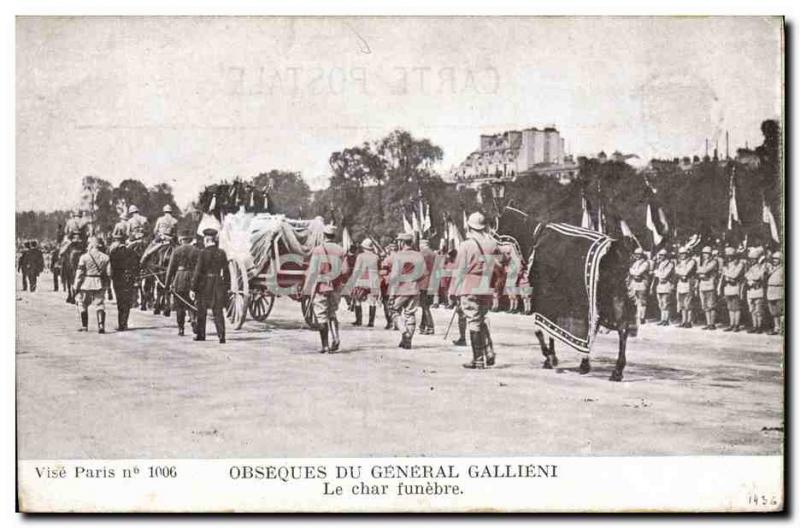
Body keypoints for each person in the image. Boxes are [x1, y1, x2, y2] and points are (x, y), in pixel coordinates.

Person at [449, 212, 501, 369]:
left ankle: (478, 359)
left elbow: (459, 270)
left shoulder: (466, 245)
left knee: (473, 321)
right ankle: (489, 351)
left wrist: (452, 291)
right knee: (481, 319)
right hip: (486, 286)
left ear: (470, 227)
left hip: (469, 286)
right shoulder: (493, 243)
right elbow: (501, 264)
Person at [303, 225, 349, 353]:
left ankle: (325, 346)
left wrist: (306, 290)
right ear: (334, 236)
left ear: (324, 236)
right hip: (336, 287)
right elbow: (345, 271)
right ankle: (336, 339)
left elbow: (312, 271)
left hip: (321, 287)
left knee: (321, 315)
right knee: (332, 313)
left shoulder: (318, 250)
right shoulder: (341, 250)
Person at [386, 233, 426, 349]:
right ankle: (407, 341)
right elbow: (424, 273)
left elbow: (394, 277)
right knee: (410, 314)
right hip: (414, 288)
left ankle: (404, 332)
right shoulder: (419, 255)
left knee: (393, 310)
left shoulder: (398, 256)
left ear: (402, 242)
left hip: (401, 289)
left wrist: (392, 295)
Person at [191, 228, 230, 343]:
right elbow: (226, 271)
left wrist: (193, 287)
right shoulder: (221, 252)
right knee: (218, 311)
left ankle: (201, 335)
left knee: (201, 310)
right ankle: (221, 336)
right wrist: (226, 285)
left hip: (205, 285)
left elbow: (198, 272)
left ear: (207, 239)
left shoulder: (202, 253)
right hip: (218, 284)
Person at [166, 230, 200, 336]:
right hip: (192, 279)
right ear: (190, 240)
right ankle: (194, 321)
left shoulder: (176, 251)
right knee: (192, 303)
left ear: (181, 240)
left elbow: (170, 269)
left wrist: (167, 284)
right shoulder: (197, 251)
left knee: (180, 306)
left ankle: (181, 328)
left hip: (179, 279)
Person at [74, 236, 111, 333]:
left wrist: (76, 286)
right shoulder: (106, 257)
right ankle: (101, 325)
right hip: (99, 283)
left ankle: (84, 326)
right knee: (100, 304)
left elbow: (79, 273)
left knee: (82, 303)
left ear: (89, 245)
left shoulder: (84, 257)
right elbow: (109, 273)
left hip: (87, 283)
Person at [108, 232, 139, 331]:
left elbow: (111, 267)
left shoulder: (113, 252)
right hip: (129, 279)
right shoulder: (132, 252)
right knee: (127, 301)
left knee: (120, 301)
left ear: (117, 241)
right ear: (124, 241)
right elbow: (137, 266)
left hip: (118, 280)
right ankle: (125, 322)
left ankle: (121, 324)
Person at [350, 238, 381, 328]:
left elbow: (357, 269)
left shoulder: (360, 256)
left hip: (361, 281)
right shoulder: (376, 257)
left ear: (363, 247)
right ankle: (371, 322)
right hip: (373, 281)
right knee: (372, 302)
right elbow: (379, 269)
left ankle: (359, 321)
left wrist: (353, 280)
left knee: (358, 300)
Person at [720, 246, 745, 332]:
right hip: (727, 287)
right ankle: (732, 324)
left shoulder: (739, 264)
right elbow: (723, 277)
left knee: (736, 307)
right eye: (727, 256)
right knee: (730, 307)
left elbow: (735, 275)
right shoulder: (726, 265)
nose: (729, 258)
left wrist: (726, 272)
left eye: (731, 256)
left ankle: (736, 324)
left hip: (735, 287)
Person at [744, 247, 768, 334]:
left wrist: (751, 278)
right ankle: (755, 326)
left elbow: (759, 276)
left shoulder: (762, 267)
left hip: (758, 290)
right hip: (751, 291)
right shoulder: (749, 268)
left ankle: (759, 326)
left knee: (758, 310)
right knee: (752, 309)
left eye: (754, 259)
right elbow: (746, 276)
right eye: (751, 259)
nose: (752, 261)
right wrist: (751, 279)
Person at [696, 246, 719, 330]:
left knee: (711, 305)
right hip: (702, 285)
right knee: (705, 305)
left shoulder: (714, 262)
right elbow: (698, 271)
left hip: (710, 285)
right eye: (704, 253)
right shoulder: (702, 262)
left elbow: (705, 270)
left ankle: (712, 323)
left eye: (707, 253)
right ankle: (708, 323)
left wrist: (701, 271)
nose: (705, 255)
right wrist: (701, 271)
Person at [674, 247, 697, 328]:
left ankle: (689, 321)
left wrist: (680, 272)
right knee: (682, 303)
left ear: (687, 254)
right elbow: (676, 271)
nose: (682, 255)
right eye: (680, 254)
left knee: (688, 303)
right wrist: (681, 272)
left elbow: (686, 272)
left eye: (683, 253)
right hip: (681, 284)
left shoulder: (691, 261)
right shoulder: (679, 262)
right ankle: (683, 321)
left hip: (688, 283)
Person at [418, 239, 436, 335]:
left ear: (422, 245)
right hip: (433, 281)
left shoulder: (422, 254)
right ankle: (423, 325)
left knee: (424, 306)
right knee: (426, 305)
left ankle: (430, 326)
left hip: (424, 282)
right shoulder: (434, 254)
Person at [628, 248, 651, 324]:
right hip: (634, 283)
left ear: (642, 255)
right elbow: (630, 271)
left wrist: (632, 271)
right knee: (635, 300)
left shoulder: (645, 263)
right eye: (636, 254)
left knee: (642, 300)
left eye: (639, 254)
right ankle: (637, 315)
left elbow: (639, 272)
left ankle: (642, 317)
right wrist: (633, 271)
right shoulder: (634, 263)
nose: (637, 256)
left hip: (642, 284)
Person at [653, 249, 676, 326]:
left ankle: (666, 319)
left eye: (662, 255)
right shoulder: (659, 264)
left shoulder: (669, 264)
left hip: (667, 285)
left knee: (666, 303)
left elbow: (664, 275)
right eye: (660, 255)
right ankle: (662, 319)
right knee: (661, 303)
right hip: (659, 285)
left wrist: (657, 273)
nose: (660, 257)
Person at [380, 242, 397, 330]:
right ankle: (397, 323)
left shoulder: (387, 259)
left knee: (386, 303)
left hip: (388, 283)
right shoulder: (400, 257)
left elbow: (384, 272)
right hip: (399, 283)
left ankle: (390, 322)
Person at [766, 251, 783, 336]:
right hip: (770, 290)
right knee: (773, 312)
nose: (774, 260)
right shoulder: (770, 269)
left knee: (780, 311)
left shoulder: (782, 268)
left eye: (776, 259)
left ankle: (782, 328)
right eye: (773, 259)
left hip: (779, 289)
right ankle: (776, 328)